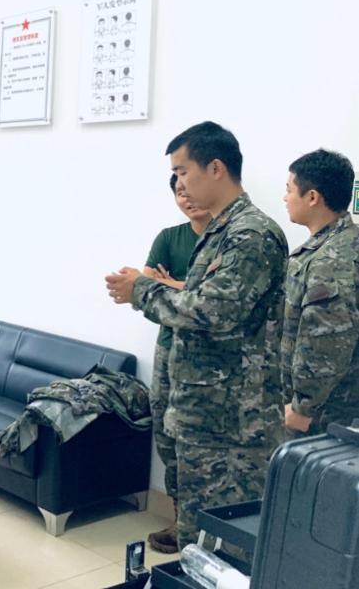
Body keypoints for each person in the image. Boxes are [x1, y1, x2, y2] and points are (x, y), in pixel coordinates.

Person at [105, 121, 287, 549]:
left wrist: (142, 290)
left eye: (183, 171)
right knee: (197, 537)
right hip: (205, 416)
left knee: (229, 545)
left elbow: (211, 311)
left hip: (233, 423)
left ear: (216, 168)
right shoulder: (221, 232)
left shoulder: (250, 234)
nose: (180, 184)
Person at [142, 174, 210, 554]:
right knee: (166, 435)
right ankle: (180, 520)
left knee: (200, 441)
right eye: (179, 193)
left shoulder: (229, 239)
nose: (187, 198)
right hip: (168, 350)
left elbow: (214, 301)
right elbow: (146, 290)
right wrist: (186, 288)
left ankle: (206, 527)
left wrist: (174, 285)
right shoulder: (169, 239)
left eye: (191, 189)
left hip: (210, 360)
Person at [281, 149, 359, 437]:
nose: (285, 198)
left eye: (289, 189)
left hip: (326, 416)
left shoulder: (330, 260)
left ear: (312, 197)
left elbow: (327, 341)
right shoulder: (343, 244)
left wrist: (303, 408)